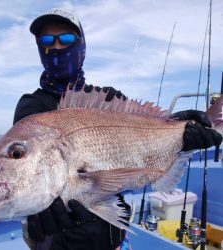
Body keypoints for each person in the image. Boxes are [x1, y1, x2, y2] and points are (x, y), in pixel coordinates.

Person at [13, 8, 222, 250]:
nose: (57, 47)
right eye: (47, 40)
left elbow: (139, 134)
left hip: (111, 239)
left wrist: (179, 128)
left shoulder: (109, 100)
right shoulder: (33, 106)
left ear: (81, 46)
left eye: (66, 39)